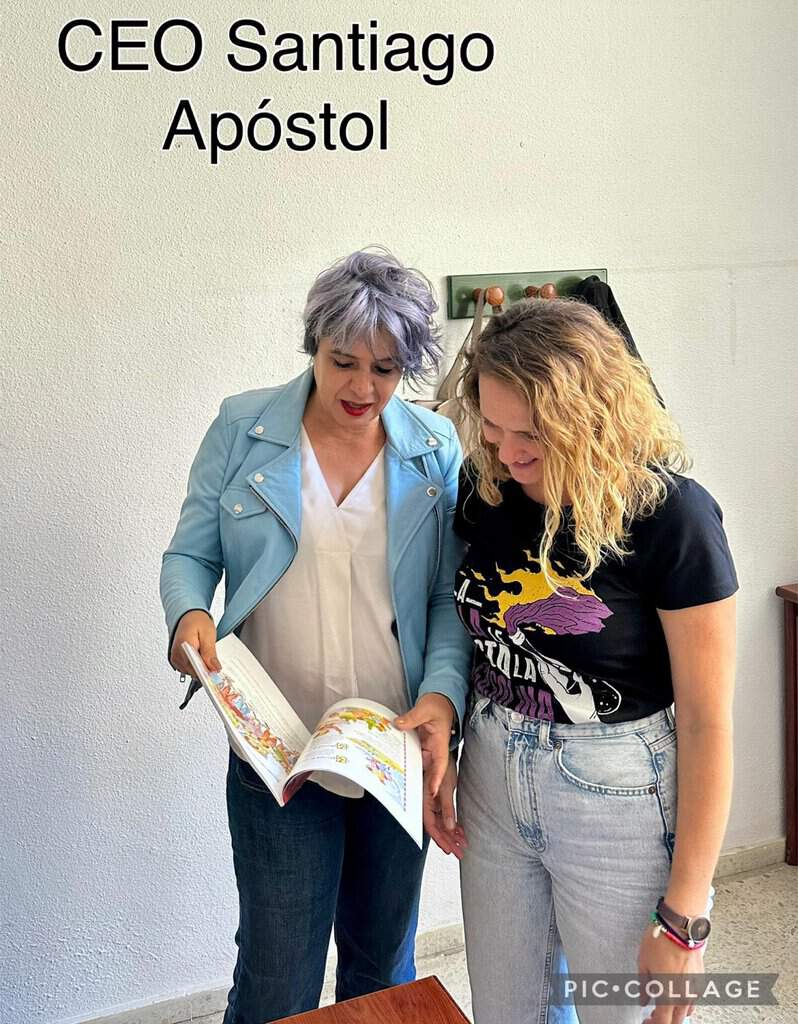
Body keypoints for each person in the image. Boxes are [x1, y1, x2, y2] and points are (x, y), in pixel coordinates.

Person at [160, 249, 471, 1024]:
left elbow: (447, 598)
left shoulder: (434, 447)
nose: (362, 388)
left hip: (396, 746)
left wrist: (441, 699)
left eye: (386, 369)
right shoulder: (243, 428)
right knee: (277, 974)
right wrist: (188, 614)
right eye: (344, 362)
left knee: (383, 967)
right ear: (314, 345)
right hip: (280, 750)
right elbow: (190, 557)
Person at [426, 298, 738, 1024]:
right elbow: (467, 624)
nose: (509, 455)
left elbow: (708, 723)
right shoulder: (487, 487)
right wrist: (447, 733)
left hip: (616, 791)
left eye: (532, 435)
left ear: (591, 418)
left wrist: (685, 920)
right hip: (493, 775)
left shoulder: (673, 518)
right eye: (493, 429)